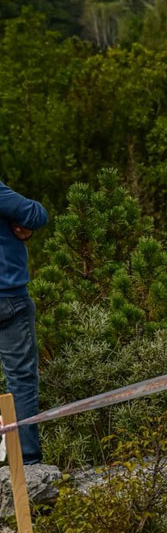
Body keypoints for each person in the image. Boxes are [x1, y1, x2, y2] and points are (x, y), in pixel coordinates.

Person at [0, 181, 48, 465]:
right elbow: (36, 214)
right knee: (21, 380)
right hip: (7, 296)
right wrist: (22, 225)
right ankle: (27, 463)